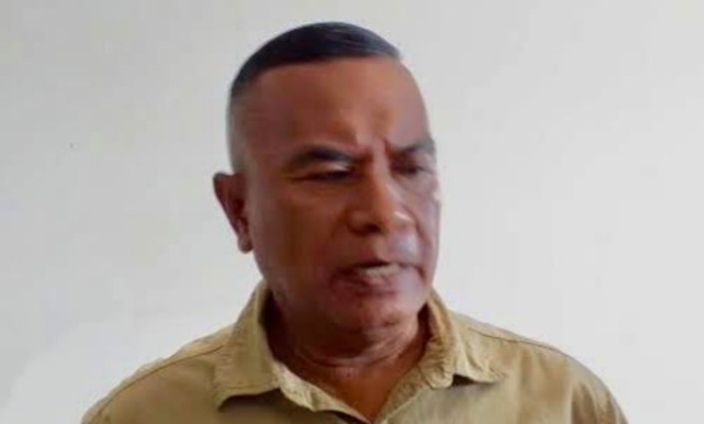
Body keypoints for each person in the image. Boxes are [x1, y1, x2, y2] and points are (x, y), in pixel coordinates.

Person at [82, 22, 627, 424]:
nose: (385, 213)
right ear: (239, 209)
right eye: (332, 173)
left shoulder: (562, 403)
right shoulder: (147, 415)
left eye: (411, 169)